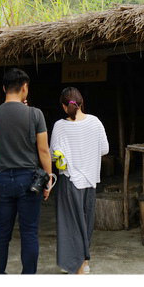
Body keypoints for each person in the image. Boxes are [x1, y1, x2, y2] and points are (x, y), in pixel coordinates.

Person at [0, 68, 53, 274]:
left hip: (4, 179)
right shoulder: (35, 114)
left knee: (2, 233)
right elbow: (43, 150)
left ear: (4, 88)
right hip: (29, 179)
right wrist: (49, 179)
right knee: (29, 232)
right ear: (24, 87)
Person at [50, 87, 109, 275]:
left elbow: (53, 154)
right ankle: (83, 261)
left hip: (70, 179)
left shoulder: (60, 125)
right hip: (91, 179)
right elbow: (105, 149)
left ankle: (79, 265)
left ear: (64, 106)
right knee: (86, 221)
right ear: (81, 103)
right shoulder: (96, 122)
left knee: (71, 223)